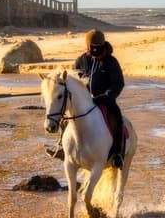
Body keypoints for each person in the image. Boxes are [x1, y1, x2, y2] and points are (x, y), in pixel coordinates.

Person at [47, 29, 126, 168]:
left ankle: (117, 154)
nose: (95, 50)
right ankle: (62, 148)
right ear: (88, 46)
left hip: (105, 101)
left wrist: (105, 97)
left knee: (118, 118)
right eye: (92, 47)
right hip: (83, 102)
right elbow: (73, 82)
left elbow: (118, 84)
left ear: (103, 45)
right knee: (65, 117)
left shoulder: (111, 62)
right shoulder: (81, 60)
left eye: (98, 47)